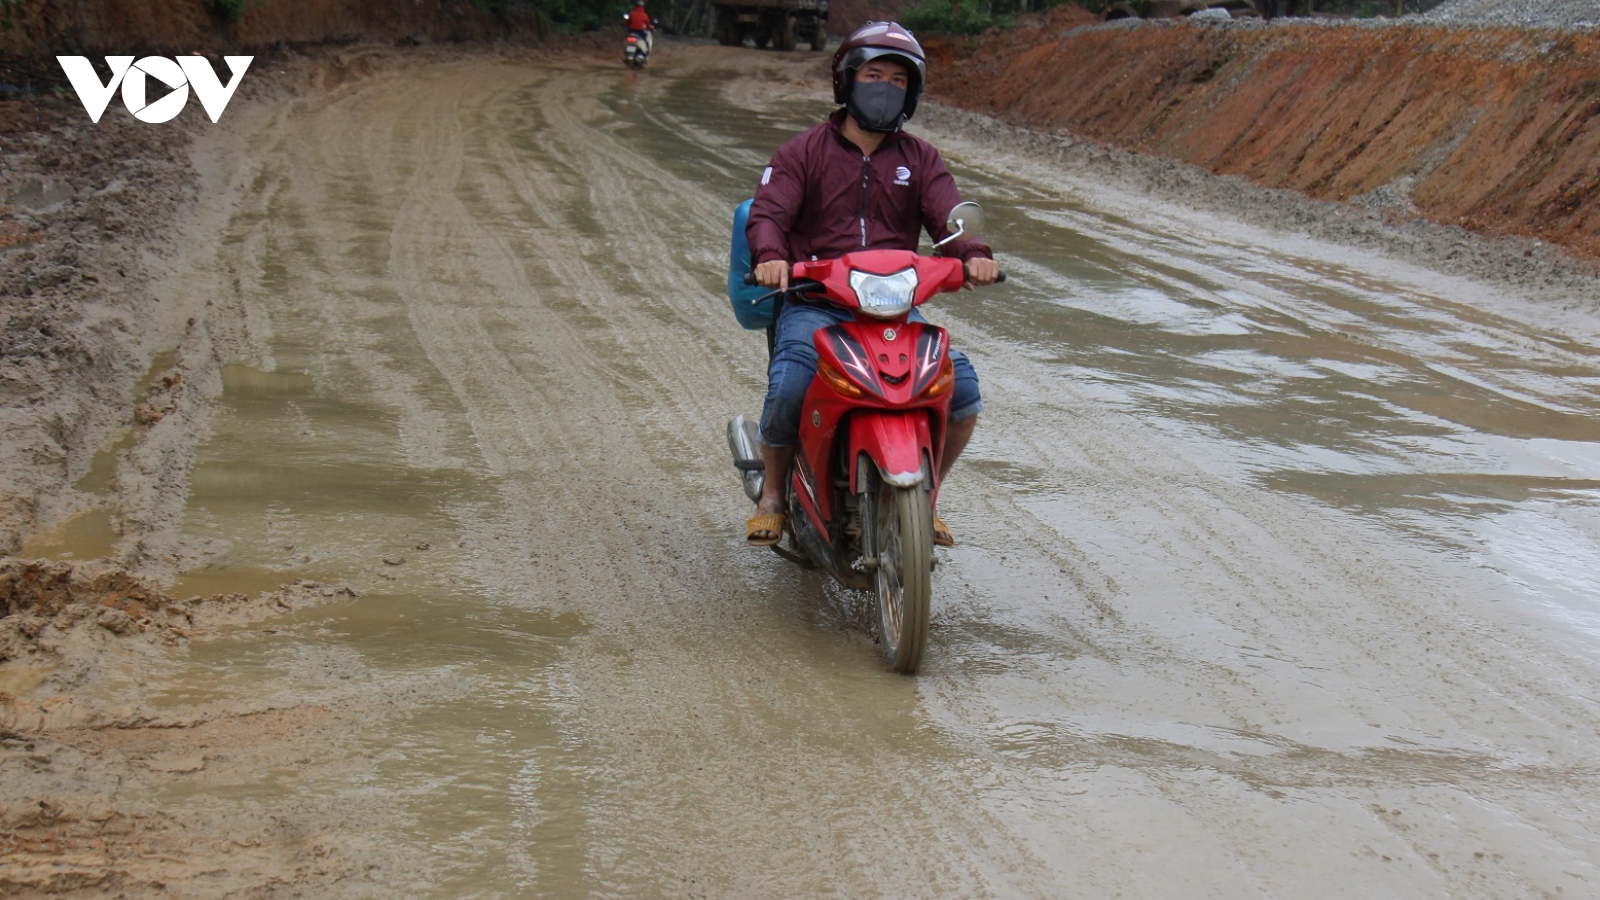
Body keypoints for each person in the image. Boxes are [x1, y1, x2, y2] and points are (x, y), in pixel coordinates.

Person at [744, 21, 1000, 549]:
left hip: (894, 308)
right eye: (873, 74)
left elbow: (948, 221)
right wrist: (771, 257)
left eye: (898, 80)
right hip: (817, 304)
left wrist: (973, 255)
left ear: (912, 92)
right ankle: (772, 493)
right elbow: (767, 215)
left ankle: (925, 500)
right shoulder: (802, 153)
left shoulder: (920, 159)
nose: (885, 87)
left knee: (963, 394)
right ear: (846, 80)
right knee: (792, 385)